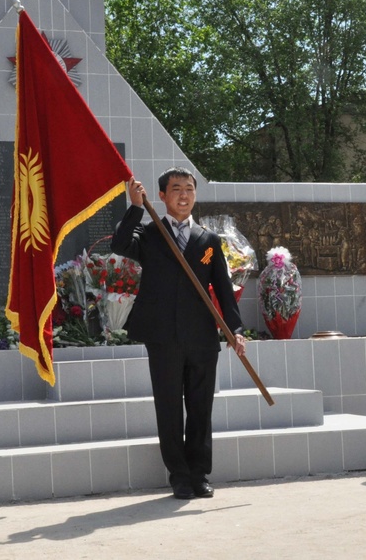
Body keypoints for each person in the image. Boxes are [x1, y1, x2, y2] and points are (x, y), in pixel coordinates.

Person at [111, 167, 246, 500]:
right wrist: (135, 206)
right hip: (163, 335)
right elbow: (120, 243)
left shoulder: (209, 240)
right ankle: (179, 475)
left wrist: (235, 330)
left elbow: (223, 290)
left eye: (189, 189)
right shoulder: (149, 233)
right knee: (169, 407)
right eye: (176, 189)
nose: (183, 195)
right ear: (162, 195)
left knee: (200, 406)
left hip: (201, 335)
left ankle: (199, 473)